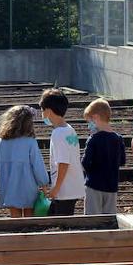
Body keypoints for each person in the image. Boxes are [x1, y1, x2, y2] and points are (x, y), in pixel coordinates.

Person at [0, 105, 50, 218]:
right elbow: (37, 164)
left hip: (8, 184)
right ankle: (29, 234)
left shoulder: (1, 142)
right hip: (27, 184)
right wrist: (43, 183)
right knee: (29, 212)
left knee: (14, 214)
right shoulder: (30, 142)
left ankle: (17, 234)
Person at [40, 88, 85, 217]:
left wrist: (56, 188)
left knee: (61, 224)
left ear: (48, 111)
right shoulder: (69, 129)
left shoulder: (58, 133)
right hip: (73, 186)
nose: (42, 114)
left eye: (42, 110)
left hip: (64, 190)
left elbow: (63, 162)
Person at [81, 99, 127, 215]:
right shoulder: (118, 139)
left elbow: (85, 163)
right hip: (111, 186)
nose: (89, 125)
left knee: (92, 219)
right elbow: (122, 161)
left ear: (95, 117)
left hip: (94, 185)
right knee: (109, 219)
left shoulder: (93, 139)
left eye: (89, 121)